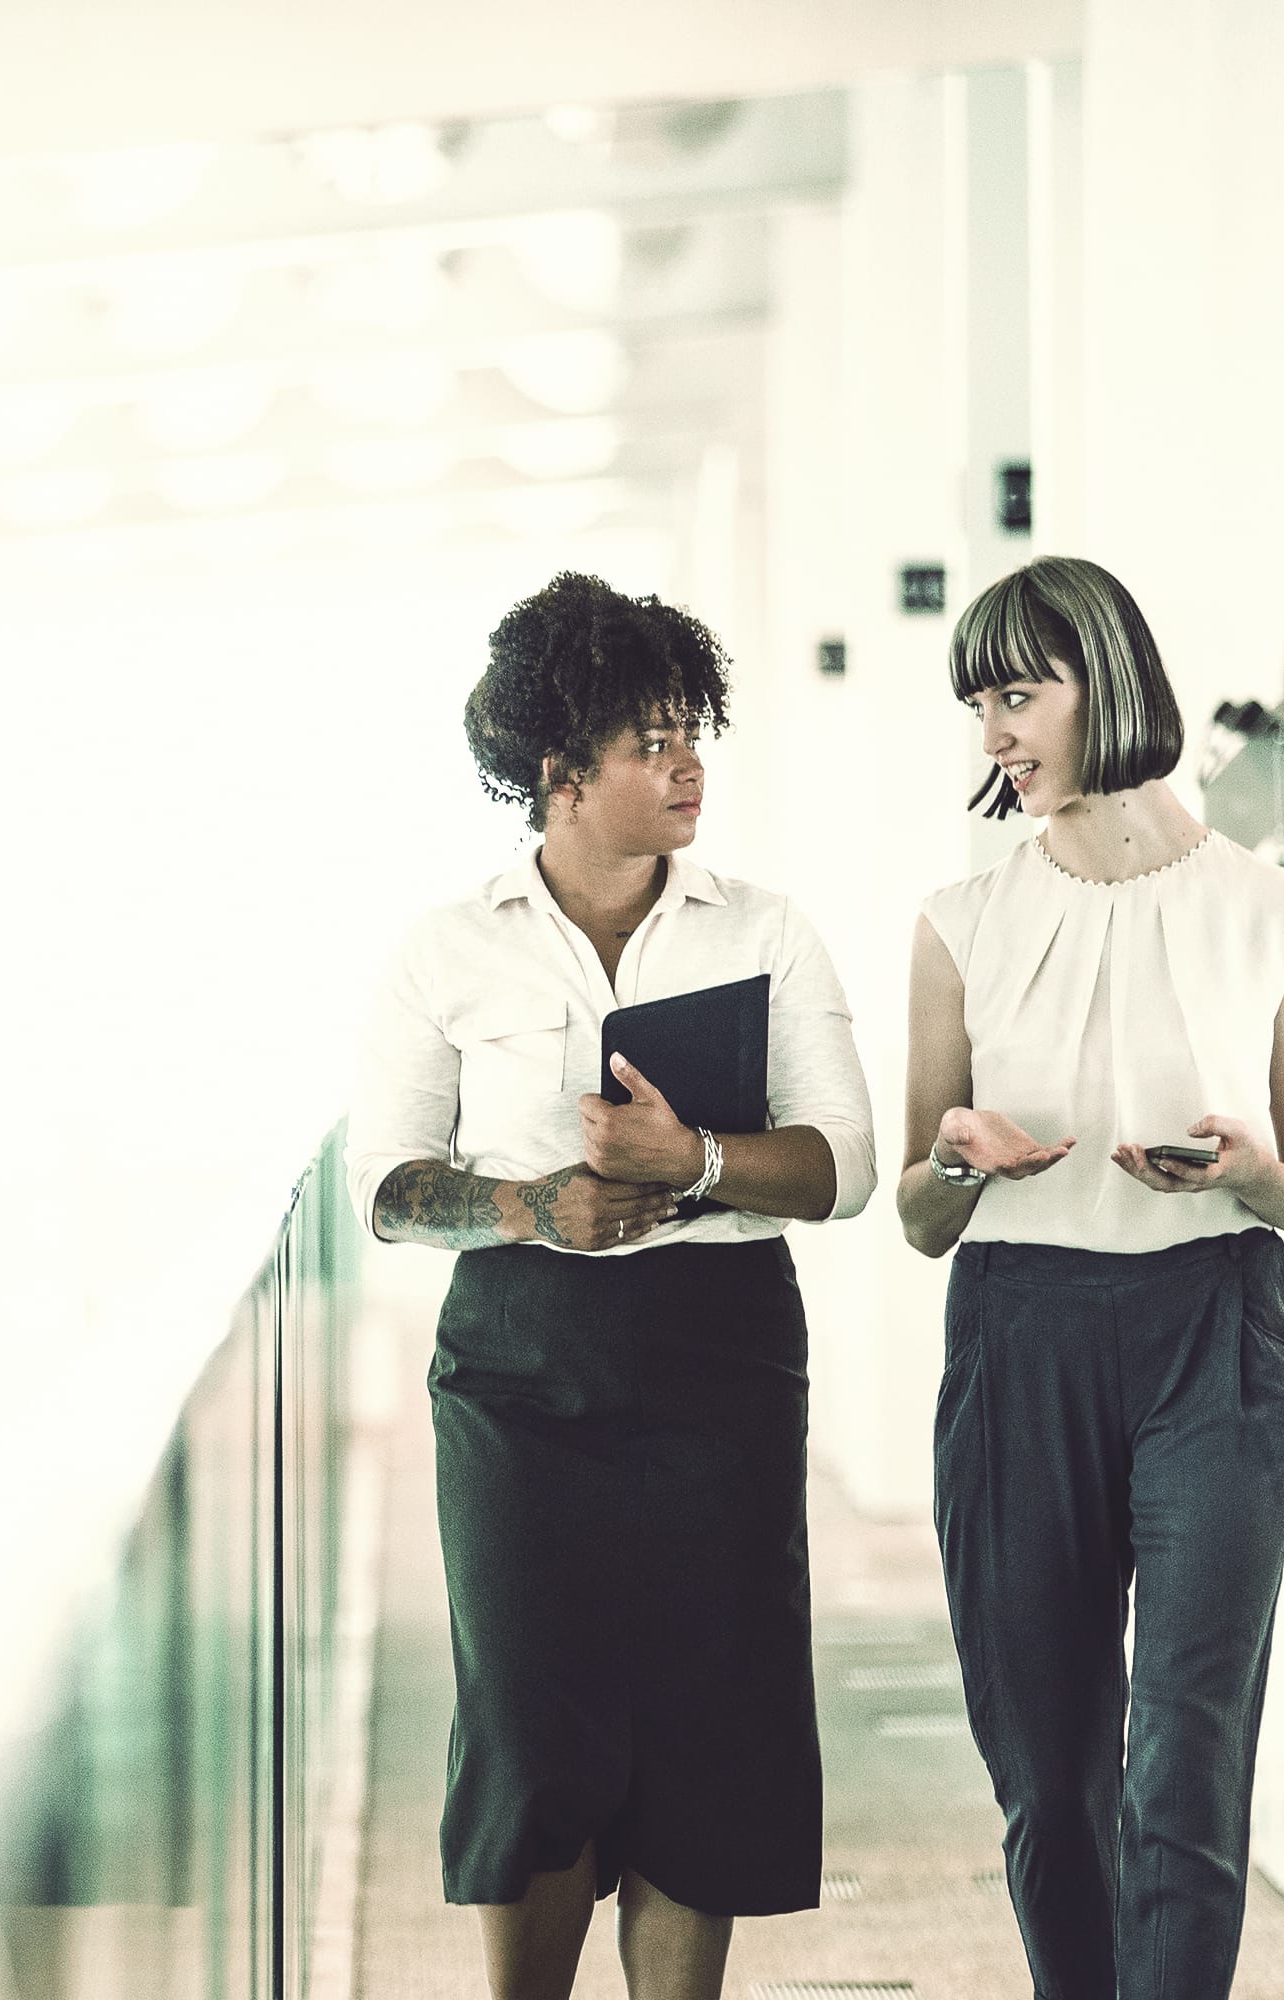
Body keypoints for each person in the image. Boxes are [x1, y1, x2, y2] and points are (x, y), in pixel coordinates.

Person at [347, 572, 879, 2000]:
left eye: (692, 730)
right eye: (651, 741)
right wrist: (534, 1205)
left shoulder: (763, 931)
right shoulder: (446, 948)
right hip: (520, 1361)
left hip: (722, 1355)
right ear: (556, 774)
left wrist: (693, 1159)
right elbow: (387, 1186)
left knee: (709, 1729)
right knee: (531, 1729)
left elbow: (844, 1167)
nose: (689, 762)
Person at [894, 555, 1284, 1999]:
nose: (994, 738)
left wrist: (1249, 1172)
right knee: (1051, 1772)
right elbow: (916, 1211)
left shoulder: (1273, 914)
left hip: (1217, 1333)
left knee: (1187, 1757)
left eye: (1017, 696)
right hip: (1021, 1339)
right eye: (980, 707)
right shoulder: (960, 923)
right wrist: (961, 1155)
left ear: (1110, 683)